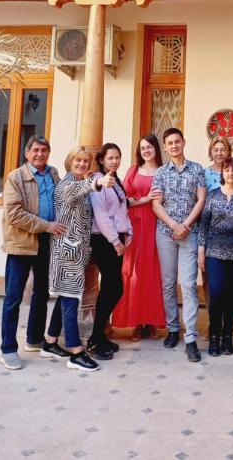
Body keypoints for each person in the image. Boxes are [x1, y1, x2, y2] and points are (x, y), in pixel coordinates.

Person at [0, 135, 67, 371]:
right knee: (14, 297)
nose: (40, 154)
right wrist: (46, 225)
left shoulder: (53, 173)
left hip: (47, 242)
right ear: (27, 153)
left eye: (45, 150)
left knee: (41, 293)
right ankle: (8, 348)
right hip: (21, 243)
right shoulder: (15, 177)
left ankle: (34, 339)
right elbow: (14, 214)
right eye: (36, 150)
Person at [46, 146, 116, 372]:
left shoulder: (79, 185)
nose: (82, 164)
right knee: (70, 300)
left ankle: (49, 341)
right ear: (70, 162)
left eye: (86, 161)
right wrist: (97, 183)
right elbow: (76, 190)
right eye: (78, 160)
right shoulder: (67, 185)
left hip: (77, 253)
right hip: (66, 252)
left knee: (65, 297)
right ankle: (75, 352)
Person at [152, 127, 207, 362]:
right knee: (168, 283)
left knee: (188, 284)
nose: (174, 145)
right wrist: (174, 225)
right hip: (166, 232)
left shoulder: (197, 169)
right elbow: (156, 204)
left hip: (190, 233)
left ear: (184, 142)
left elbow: (201, 199)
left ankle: (191, 338)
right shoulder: (161, 173)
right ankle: (173, 328)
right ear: (165, 147)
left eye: (177, 141)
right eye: (169, 143)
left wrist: (185, 225)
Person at [198, 157, 233, 356]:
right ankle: (214, 335)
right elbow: (204, 226)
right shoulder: (213, 196)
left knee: (232, 295)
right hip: (214, 251)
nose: (230, 173)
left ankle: (227, 335)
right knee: (216, 292)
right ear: (221, 174)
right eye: (227, 170)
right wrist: (201, 252)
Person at [113, 133, 165, 340]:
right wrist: (144, 199)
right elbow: (123, 200)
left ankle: (151, 322)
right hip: (135, 226)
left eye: (149, 147)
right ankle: (135, 322)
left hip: (157, 225)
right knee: (133, 274)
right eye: (142, 147)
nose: (146, 150)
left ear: (156, 149)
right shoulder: (132, 171)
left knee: (153, 274)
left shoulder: (164, 171)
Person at [88, 142, 133, 360]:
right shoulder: (100, 181)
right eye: (110, 158)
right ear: (102, 159)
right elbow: (102, 216)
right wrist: (116, 241)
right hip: (105, 241)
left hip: (117, 238)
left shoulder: (115, 181)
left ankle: (99, 336)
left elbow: (122, 208)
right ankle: (95, 339)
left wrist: (129, 232)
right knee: (114, 289)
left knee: (111, 288)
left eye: (117, 157)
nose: (114, 161)